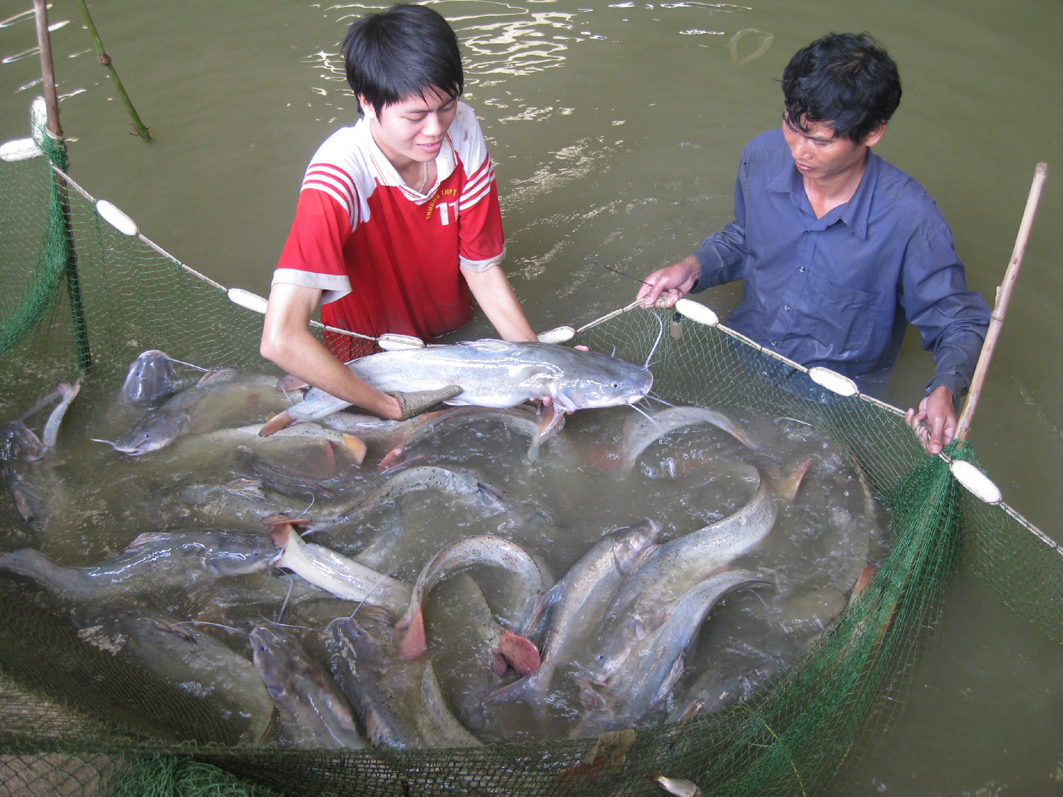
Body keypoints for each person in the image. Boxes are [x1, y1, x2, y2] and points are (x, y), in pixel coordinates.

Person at [636, 32, 990, 455]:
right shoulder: (762, 154)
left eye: (821, 141)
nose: (799, 151)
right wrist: (693, 268)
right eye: (792, 125)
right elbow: (746, 236)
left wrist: (945, 390)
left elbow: (959, 323)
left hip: (838, 397)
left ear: (873, 133)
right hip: (744, 352)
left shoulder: (912, 220)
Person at [260, 3, 539, 421]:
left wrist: (540, 366)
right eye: (415, 115)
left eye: (445, 105)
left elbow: (480, 268)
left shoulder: (462, 128)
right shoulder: (338, 177)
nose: (436, 128)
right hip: (367, 356)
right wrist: (387, 406)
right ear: (367, 102)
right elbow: (280, 339)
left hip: (450, 333)